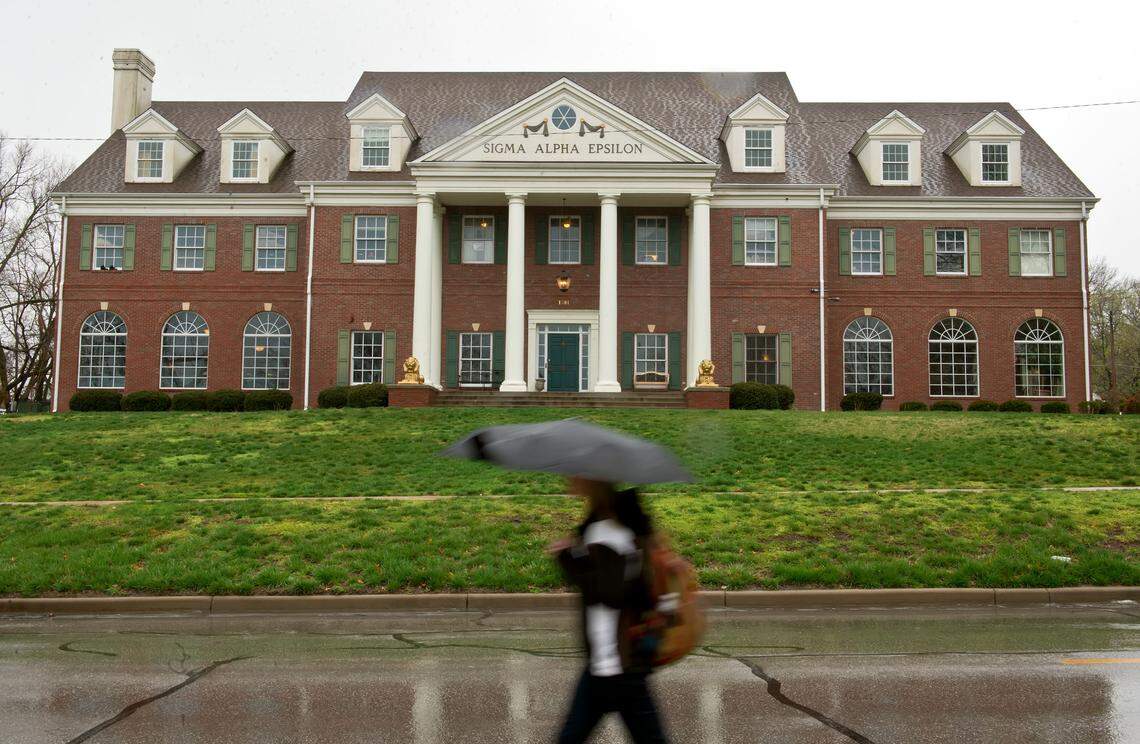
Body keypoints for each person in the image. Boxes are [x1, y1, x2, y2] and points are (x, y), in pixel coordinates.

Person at [549, 477, 669, 744]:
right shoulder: (610, 527)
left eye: (574, 474)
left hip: (618, 665)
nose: (567, 479)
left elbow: (609, 594)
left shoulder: (606, 532)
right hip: (611, 664)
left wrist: (568, 558)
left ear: (591, 482)